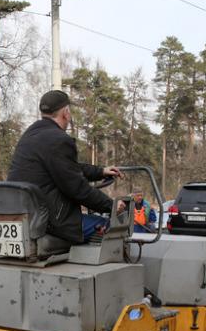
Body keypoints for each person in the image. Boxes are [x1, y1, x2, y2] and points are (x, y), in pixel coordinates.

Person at [7, 90, 125, 243]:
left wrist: (101, 171)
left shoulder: (29, 135)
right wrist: (111, 205)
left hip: (25, 215)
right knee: (111, 227)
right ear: (66, 113)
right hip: (51, 221)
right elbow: (77, 188)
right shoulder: (59, 139)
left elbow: (67, 168)